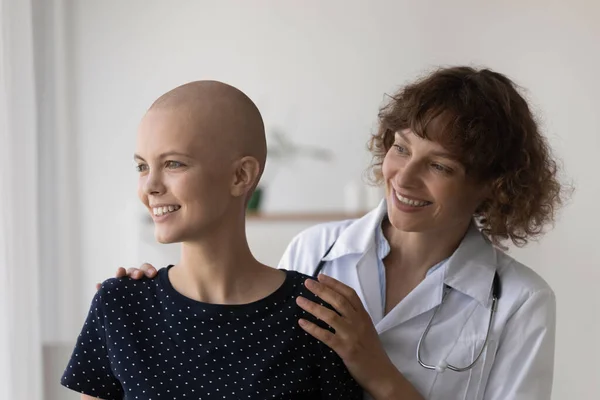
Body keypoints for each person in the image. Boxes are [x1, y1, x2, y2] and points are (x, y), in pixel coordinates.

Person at [112, 66, 566, 399]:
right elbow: (247, 360)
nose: (404, 179)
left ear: (493, 185)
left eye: (439, 166)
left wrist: (378, 372)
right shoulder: (314, 251)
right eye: (400, 148)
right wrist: (165, 301)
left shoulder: (519, 301)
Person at [61, 81, 362, 399]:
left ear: (241, 176)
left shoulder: (316, 314)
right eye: (142, 166)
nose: (149, 185)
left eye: (173, 164)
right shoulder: (119, 305)